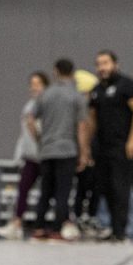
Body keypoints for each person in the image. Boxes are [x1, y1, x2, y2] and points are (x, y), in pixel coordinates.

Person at [87, 50, 133, 243]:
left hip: (121, 145)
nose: (102, 67)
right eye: (99, 64)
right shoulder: (97, 89)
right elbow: (92, 119)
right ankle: (112, 229)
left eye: (105, 63)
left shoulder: (129, 86)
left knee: (121, 187)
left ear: (115, 64)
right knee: (105, 188)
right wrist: (88, 145)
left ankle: (121, 231)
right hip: (101, 146)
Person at [28, 58, 87, 241]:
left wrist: (40, 139)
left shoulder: (45, 94)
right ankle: (56, 229)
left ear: (55, 71)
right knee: (63, 191)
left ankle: (38, 227)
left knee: (45, 190)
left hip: (47, 149)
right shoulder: (76, 96)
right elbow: (82, 126)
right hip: (67, 149)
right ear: (72, 73)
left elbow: (30, 119)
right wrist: (84, 152)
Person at [0, 71, 48, 240]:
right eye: (31, 84)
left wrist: (38, 134)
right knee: (23, 188)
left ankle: (63, 223)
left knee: (51, 191)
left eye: (37, 84)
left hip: (46, 155)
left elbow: (42, 129)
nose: (33, 87)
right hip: (30, 156)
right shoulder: (28, 106)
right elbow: (24, 133)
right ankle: (17, 223)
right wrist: (19, 154)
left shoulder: (47, 104)